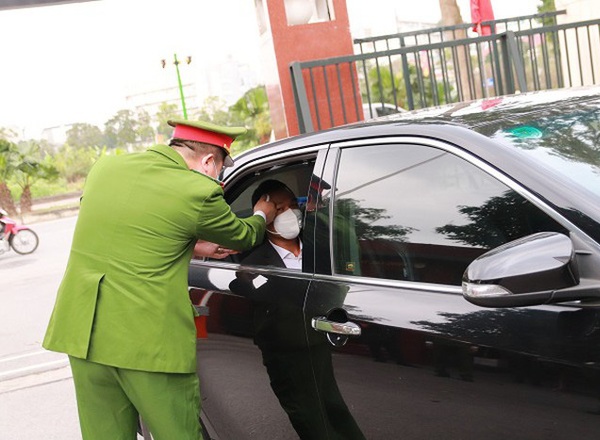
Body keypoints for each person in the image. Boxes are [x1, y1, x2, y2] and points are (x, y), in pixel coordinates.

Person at [42, 118, 280, 440]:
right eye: (220, 170)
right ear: (209, 162)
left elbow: (126, 223)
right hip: (146, 344)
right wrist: (264, 211)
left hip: (84, 335)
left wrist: (193, 246)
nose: (216, 177)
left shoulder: (107, 168)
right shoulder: (197, 191)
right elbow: (244, 236)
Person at [229, 179, 365, 440]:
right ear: (265, 216)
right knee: (315, 425)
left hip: (327, 347)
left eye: (292, 205)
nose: (289, 213)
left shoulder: (321, 248)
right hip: (289, 358)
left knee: (340, 415)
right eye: (278, 209)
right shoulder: (253, 264)